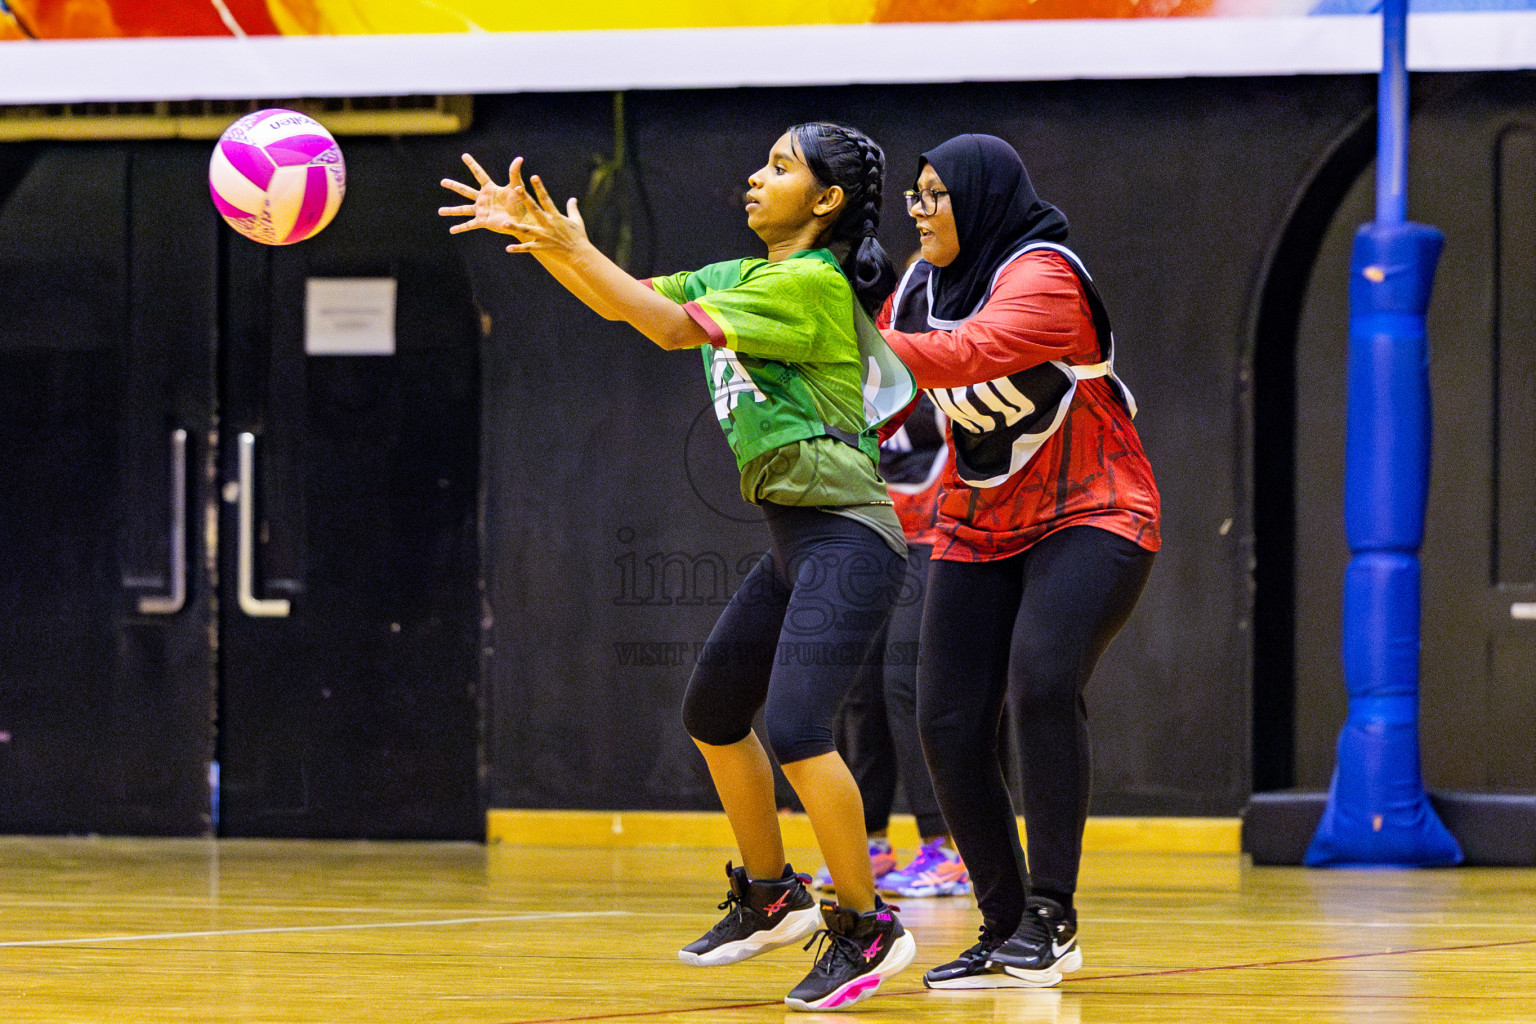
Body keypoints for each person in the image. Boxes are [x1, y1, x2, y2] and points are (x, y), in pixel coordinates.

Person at [440, 122, 918, 1011]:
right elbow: (627, 304)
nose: (753, 175)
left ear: (825, 201)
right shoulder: (742, 277)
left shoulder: (810, 284)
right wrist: (547, 242)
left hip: (848, 534)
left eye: (779, 166)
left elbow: (664, 330)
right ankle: (772, 895)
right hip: (795, 538)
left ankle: (866, 927)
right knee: (713, 712)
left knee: (803, 727)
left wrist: (573, 243)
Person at [876, 134, 1161, 989]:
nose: (917, 210)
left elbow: (967, 354)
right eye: (912, 194)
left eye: (935, 194)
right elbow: (878, 399)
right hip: (982, 517)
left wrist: (840, 343)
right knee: (948, 720)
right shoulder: (918, 289)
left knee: (1041, 679)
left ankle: (1053, 915)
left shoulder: (1045, 273)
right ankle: (1003, 928)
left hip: (1097, 508)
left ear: (982, 197)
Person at [814, 392, 972, 900]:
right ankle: (870, 841)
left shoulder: (938, 344)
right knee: (860, 692)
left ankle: (946, 850)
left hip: (936, 533)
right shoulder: (845, 357)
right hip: (871, 533)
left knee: (907, 685)